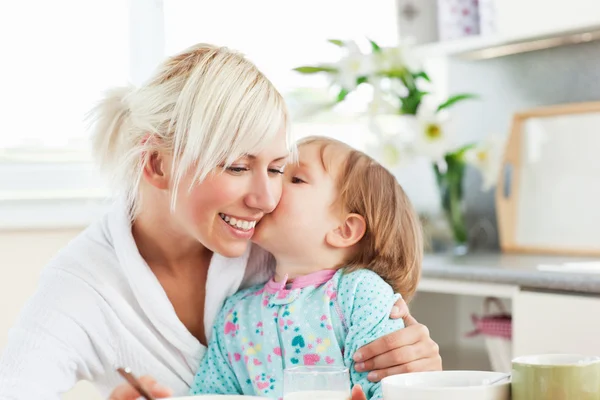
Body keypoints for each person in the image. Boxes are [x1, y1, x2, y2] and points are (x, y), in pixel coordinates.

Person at [0, 44, 441, 400]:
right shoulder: (82, 286)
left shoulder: (283, 245)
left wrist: (416, 366)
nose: (267, 198)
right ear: (156, 164)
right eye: (235, 167)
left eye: (276, 168)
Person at [188, 136, 423, 399]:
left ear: (343, 230)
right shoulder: (235, 314)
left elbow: (390, 387)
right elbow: (208, 396)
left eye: (296, 179)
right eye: (278, 172)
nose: (271, 186)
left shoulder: (361, 295)